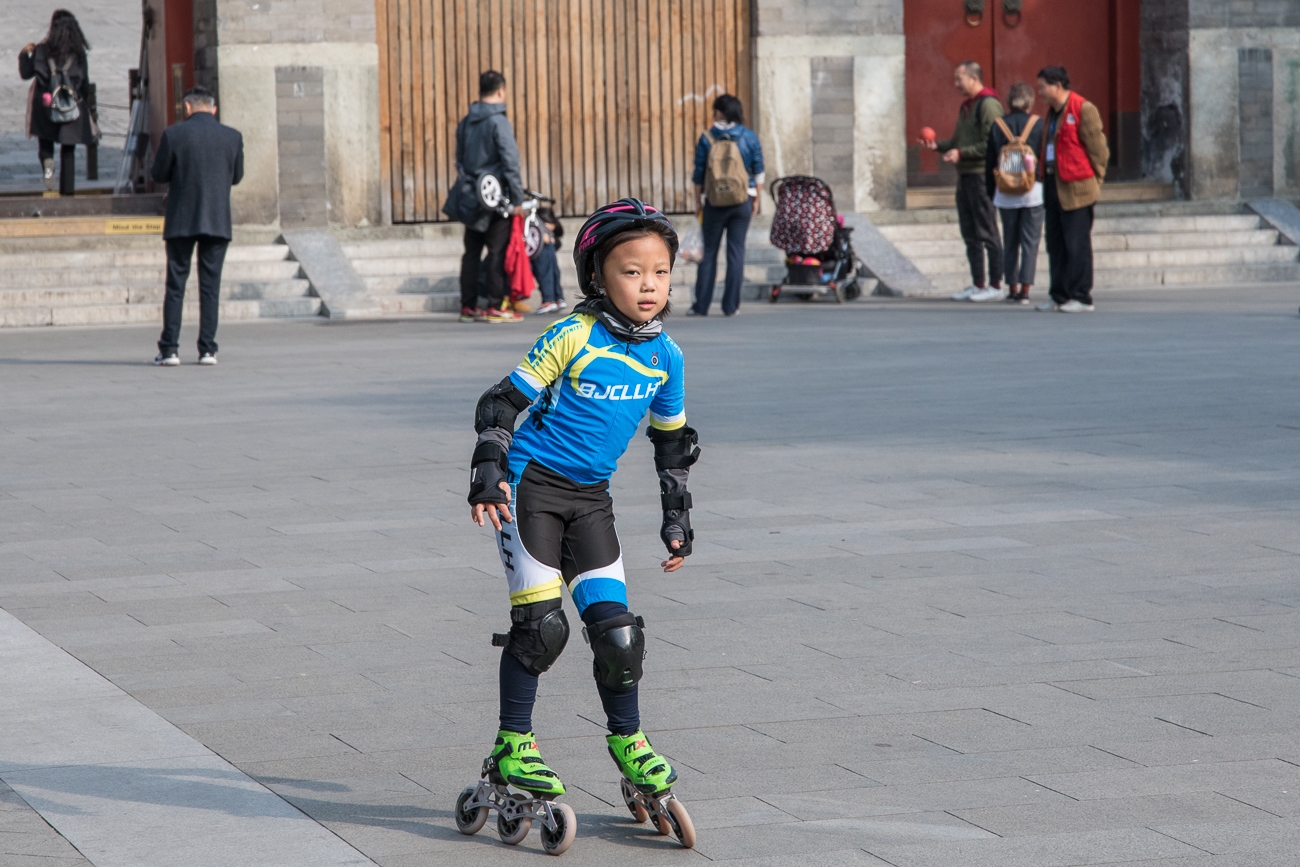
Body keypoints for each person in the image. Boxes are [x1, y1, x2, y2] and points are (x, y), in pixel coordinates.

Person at [466, 199, 696, 806]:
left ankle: (628, 741)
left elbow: (671, 443)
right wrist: (489, 472)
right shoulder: (573, 335)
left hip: (591, 500)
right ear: (598, 275)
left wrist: (677, 517)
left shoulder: (665, 355)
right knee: (542, 629)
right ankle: (513, 743)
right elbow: (501, 404)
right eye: (631, 271)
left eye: (661, 272)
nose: (649, 285)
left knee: (618, 635)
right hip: (531, 489)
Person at [150, 86, 244, 366]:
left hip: (181, 218)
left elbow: (159, 173)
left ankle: (169, 350)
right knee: (210, 287)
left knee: (176, 285)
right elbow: (236, 177)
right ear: (213, 109)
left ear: (187, 107)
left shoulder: (174, 134)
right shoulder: (233, 136)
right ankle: (207, 350)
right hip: (217, 218)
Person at [921, 61, 1004, 302]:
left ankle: (996, 285)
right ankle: (978, 283)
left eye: (959, 79)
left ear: (974, 78)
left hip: (981, 176)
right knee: (970, 232)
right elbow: (958, 140)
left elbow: (992, 142)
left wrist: (962, 153)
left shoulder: (989, 105)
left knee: (987, 230)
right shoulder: (967, 106)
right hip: (965, 176)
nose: (956, 84)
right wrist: (939, 146)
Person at [453, 70, 525, 324]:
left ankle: (467, 306)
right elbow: (510, 161)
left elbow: (459, 160)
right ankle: (495, 305)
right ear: (501, 91)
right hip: (497, 199)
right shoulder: (499, 122)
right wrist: (517, 199)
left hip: (472, 195)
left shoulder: (465, 122)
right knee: (497, 251)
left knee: (471, 252)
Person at [1035, 66, 1109, 313]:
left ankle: (1081, 297)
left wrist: (1095, 181)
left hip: (1077, 188)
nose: (1040, 92)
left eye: (1042, 86)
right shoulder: (1052, 113)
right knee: (1055, 244)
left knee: (1076, 244)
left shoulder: (1083, 109)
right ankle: (1059, 296)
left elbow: (1099, 150)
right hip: (1053, 186)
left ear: (1057, 85)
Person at [689, 94, 764, 317]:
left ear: (720, 112)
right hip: (742, 200)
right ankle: (731, 306)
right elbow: (759, 170)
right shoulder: (749, 136)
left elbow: (698, 175)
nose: (713, 114)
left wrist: (698, 201)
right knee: (736, 251)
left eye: (715, 111)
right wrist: (756, 199)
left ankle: (701, 306)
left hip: (714, 202)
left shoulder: (706, 137)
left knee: (709, 253)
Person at [18, 10, 97, 196]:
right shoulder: (78, 54)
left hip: (45, 104)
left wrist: (24, 54)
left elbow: (26, 74)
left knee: (45, 143)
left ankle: (47, 164)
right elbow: (84, 82)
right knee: (68, 148)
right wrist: (87, 105)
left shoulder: (41, 50)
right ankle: (68, 192)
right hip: (71, 105)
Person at [986, 82, 1044, 306]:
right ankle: (1025, 289)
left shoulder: (998, 125)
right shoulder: (1038, 124)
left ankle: (1011, 287)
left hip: (1005, 192)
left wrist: (992, 191)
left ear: (1009, 101)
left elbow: (990, 162)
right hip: (1033, 191)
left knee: (1010, 241)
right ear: (1030, 101)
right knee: (1030, 242)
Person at [530, 206, 566, 315]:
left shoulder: (536, 221)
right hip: (545, 249)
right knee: (553, 273)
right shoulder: (539, 223)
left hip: (542, 249)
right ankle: (557, 299)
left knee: (546, 273)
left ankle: (549, 301)